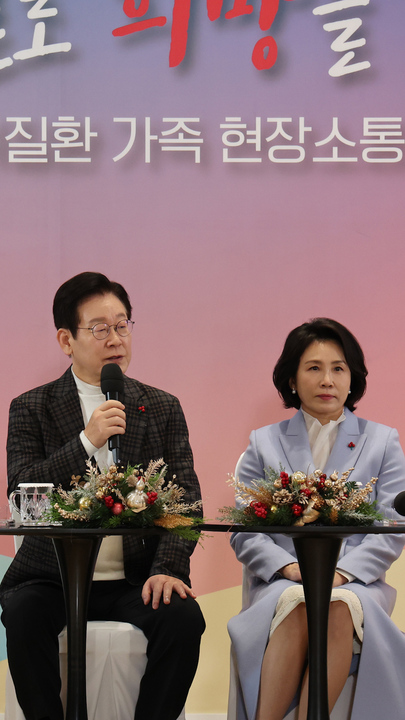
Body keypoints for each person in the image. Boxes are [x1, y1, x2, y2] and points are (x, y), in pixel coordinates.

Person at [0, 271, 205, 720]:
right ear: (66, 340)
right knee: (23, 615)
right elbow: (23, 497)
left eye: (122, 325)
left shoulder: (162, 406)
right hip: (50, 578)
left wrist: (167, 569)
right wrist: (85, 442)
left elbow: (186, 501)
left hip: (134, 578)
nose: (115, 339)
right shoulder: (31, 407)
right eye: (99, 328)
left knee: (184, 619)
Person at [228, 318, 405, 720]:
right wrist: (289, 568)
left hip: (358, 583)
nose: (327, 380)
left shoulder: (383, 441)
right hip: (282, 582)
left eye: (338, 368)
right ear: (292, 379)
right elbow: (244, 530)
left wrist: (340, 574)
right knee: (299, 601)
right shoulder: (263, 442)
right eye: (314, 368)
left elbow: (392, 527)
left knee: (337, 605)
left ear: (352, 377)